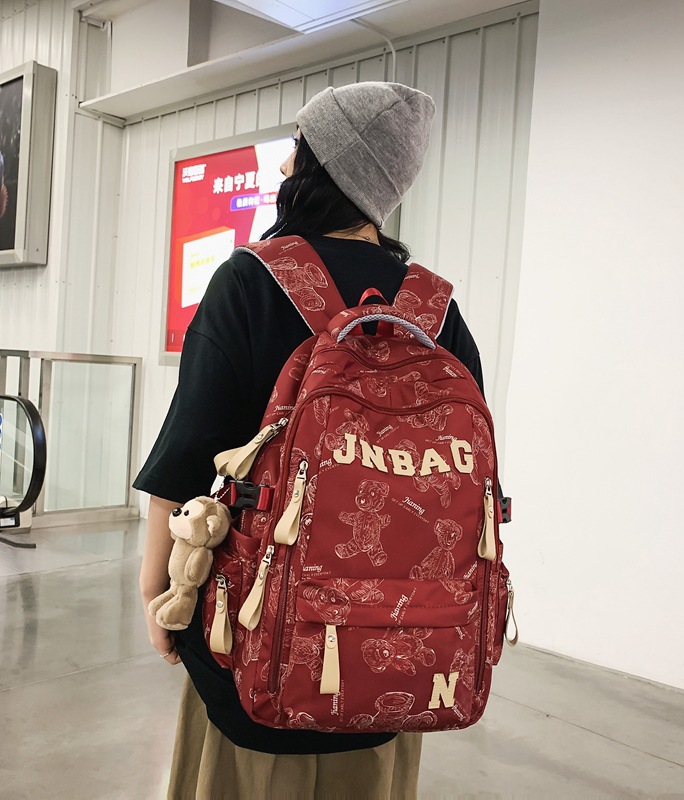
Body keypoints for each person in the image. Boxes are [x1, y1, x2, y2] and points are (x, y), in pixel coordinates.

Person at [134, 82, 486, 799]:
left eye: (297, 148)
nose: (284, 165)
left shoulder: (250, 281)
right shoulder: (434, 309)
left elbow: (186, 454)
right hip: (402, 658)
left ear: (321, 165)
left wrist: (158, 590)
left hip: (255, 643)